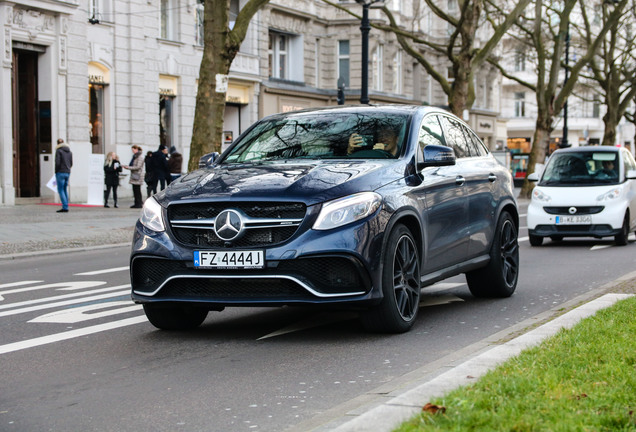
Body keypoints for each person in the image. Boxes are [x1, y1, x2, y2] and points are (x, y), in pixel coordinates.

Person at [54, 138, 73, 213]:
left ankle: (65, 206)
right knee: (65, 189)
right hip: (67, 172)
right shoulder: (69, 152)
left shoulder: (59, 151)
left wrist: (56, 171)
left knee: (60, 190)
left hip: (60, 172)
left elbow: (57, 162)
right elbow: (71, 163)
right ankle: (66, 205)